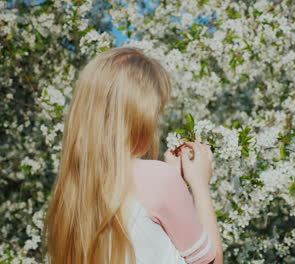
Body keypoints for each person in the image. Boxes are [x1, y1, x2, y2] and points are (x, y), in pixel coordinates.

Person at [42, 46, 224, 264]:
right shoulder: (159, 178)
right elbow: (211, 262)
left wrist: (172, 181)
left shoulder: (71, 196)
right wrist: (199, 184)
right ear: (139, 118)